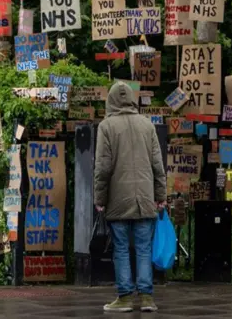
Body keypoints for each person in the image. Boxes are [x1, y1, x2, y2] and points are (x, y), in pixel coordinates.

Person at [94, 81, 167, 313]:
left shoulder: (106, 127)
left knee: (122, 248)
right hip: (145, 197)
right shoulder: (148, 126)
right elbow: (158, 164)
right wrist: (161, 194)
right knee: (144, 248)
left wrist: (100, 198)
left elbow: (103, 168)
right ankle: (147, 298)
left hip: (118, 198)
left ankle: (125, 297)